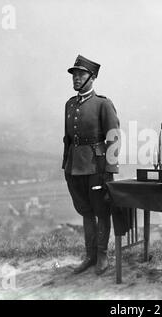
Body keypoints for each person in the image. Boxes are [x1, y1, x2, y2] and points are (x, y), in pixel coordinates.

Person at [62, 55, 120, 275]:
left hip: (97, 168)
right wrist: (66, 165)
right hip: (75, 167)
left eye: (81, 74)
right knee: (86, 212)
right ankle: (90, 255)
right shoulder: (69, 104)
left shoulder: (103, 104)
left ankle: (103, 255)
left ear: (92, 77)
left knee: (101, 211)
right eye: (74, 75)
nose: (76, 78)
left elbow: (113, 138)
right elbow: (67, 138)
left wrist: (109, 170)